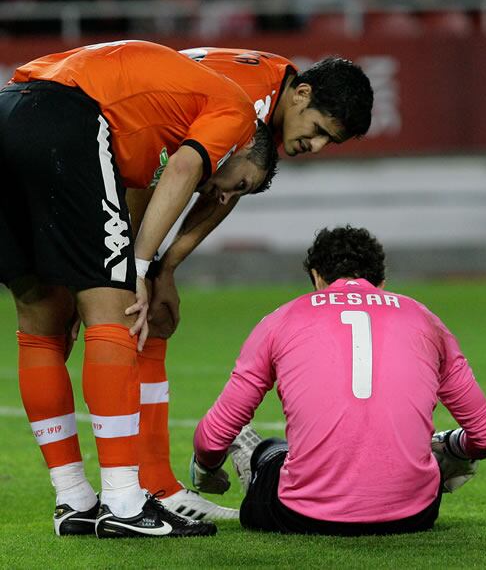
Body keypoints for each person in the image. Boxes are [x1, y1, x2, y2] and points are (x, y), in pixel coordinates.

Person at [0, 39, 278, 538]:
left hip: (9, 108)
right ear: (242, 150)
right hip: (68, 117)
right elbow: (186, 167)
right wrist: (140, 269)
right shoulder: (238, 114)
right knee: (117, 313)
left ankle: (73, 499)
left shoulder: (158, 116)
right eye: (241, 182)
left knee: (39, 318)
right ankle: (126, 505)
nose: (224, 194)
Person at [134, 46, 374, 520]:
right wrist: (139, 265)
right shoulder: (247, 100)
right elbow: (155, 162)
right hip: (104, 147)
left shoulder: (266, 99)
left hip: (118, 152)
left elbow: (228, 186)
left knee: (150, 319)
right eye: (319, 131)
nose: (316, 147)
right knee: (115, 315)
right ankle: (130, 494)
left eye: (331, 142)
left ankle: (149, 485)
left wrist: (165, 268)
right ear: (302, 95)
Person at [188, 225, 486, 534]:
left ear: (317, 277)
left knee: (273, 451)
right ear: (381, 282)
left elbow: (211, 439)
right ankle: (443, 447)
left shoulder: (280, 319)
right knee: (429, 449)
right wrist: (458, 448)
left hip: (299, 515)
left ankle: (257, 465)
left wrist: (207, 468)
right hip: (413, 517)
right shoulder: (426, 319)